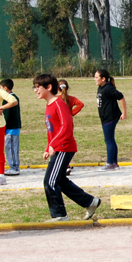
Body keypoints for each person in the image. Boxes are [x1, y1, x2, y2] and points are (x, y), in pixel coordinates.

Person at [34, 73, 101, 222]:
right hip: (57, 147)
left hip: (64, 147)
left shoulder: (59, 104)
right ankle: (90, 202)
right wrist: (48, 147)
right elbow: (52, 130)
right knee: (60, 180)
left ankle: (60, 215)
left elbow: (66, 126)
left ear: (49, 87)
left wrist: (54, 145)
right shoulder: (49, 106)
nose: (35, 90)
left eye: (38, 87)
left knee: (50, 181)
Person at [95, 69, 127, 171]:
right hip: (105, 117)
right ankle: (114, 163)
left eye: (97, 77)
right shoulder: (101, 87)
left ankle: (110, 163)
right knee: (110, 139)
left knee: (109, 140)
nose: (95, 79)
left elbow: (121, 96)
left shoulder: (108, 88)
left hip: (110, 117)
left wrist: (124, 112)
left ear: (103, 78)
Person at [59, 79, 86, 175]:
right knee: (68, 143)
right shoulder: (71, 98)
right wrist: (71, 114)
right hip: (69, 124)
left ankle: (65, 165)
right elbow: (80, 104)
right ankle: (66, 164)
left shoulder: (57, 99)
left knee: (60, 145)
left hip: (59, 125)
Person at [1, 79, 22, 175]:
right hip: (14, 127)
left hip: (11, 128)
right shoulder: (15, 97)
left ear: (5, 88)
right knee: (13, 147)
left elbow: (7, 115)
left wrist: (3, 127)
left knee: (11, 148)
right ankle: (14, 166)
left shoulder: (8, 99)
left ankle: (14, 167)